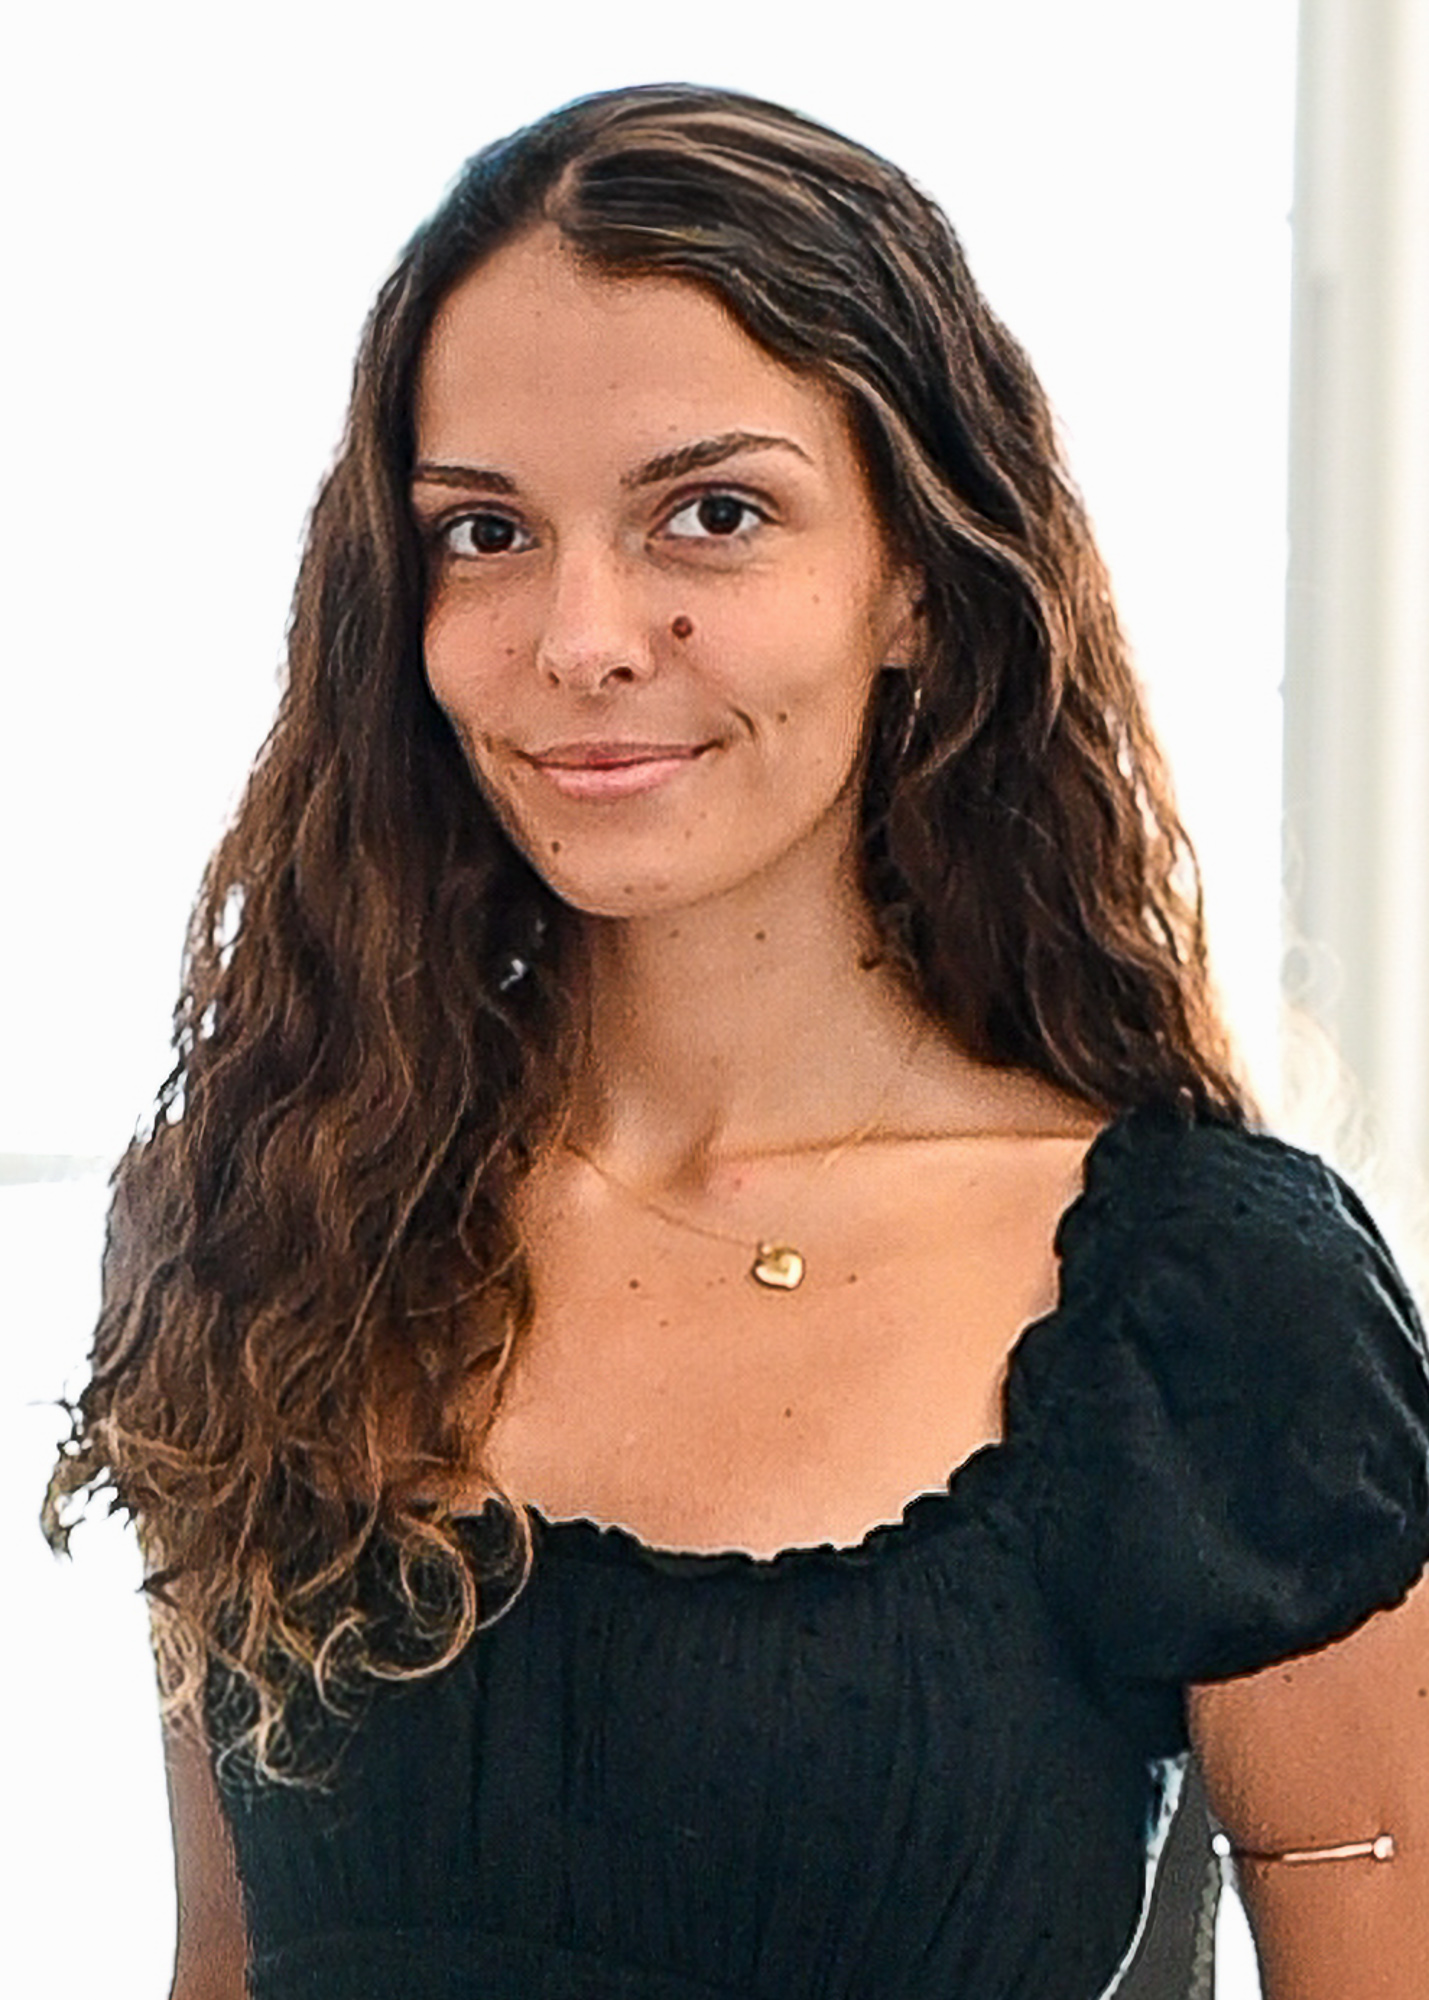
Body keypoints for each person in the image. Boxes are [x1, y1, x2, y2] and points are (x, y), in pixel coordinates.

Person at [46, 83, 1429, 2000]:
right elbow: (222, 1966)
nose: (582, 636)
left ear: (917, 579)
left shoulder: (1209, 1299)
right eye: (484, 531)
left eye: (711, 514)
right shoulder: (264, 1218)